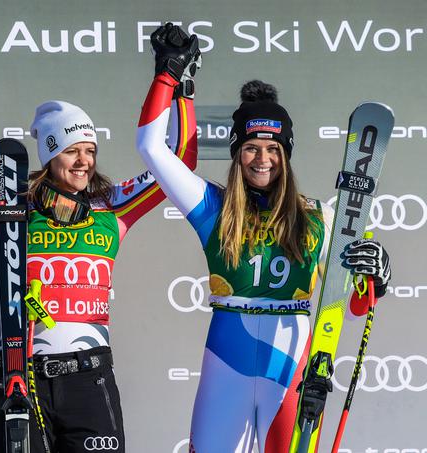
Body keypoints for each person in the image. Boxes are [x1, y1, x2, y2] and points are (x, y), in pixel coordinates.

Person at [0, 23, 201, 453]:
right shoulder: (11, 205)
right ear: (51, 154)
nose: (83, 161)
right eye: (72, 151)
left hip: (89, 377)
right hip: (22, 373)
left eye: (90, 151)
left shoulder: (113, 205)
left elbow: (179, 159)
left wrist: (175, 81)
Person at [137, 34, 392, 453]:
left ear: (286, 155)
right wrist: (167, 76)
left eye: (273, 149)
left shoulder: (319, 217)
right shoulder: (212, 207)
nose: (262, 158)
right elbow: (150, 147)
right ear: (237, 154)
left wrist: (373, 281)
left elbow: (349, 309)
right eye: (251, 148)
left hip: (289, 365)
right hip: (226, 365)